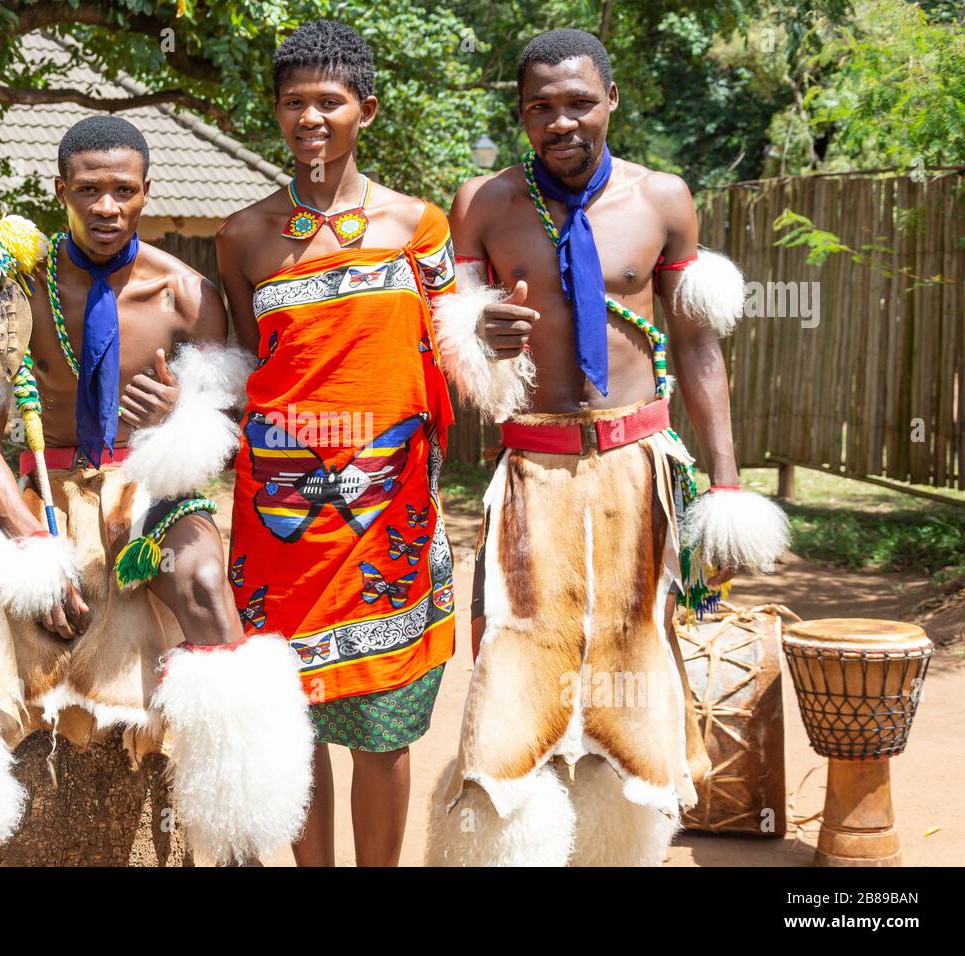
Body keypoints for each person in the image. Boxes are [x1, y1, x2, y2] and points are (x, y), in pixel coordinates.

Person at [0, 116, 313, 867]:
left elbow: (211, 442)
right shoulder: (14, 290)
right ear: (59, 190)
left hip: (147, 487)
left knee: (203, 586)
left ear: (145, 193)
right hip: (36, 494)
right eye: (89, 190)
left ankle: (235, 837)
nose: (107, 207)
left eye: (123, 191)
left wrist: (176, 419)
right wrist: (34, 543)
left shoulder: (185, 292)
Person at [426, 28, 788, 866]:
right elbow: (449, 348)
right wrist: (480, 335)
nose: (561, 122)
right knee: (513, 667)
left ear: (612, 101)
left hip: (638, 470)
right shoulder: (483, 203)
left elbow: (697, 347)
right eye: (540, 108)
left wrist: (725, 494)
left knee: (635, 660)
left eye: (578, 102)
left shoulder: (663, 200)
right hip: (532, 471)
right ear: (521, 114)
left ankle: (617, 850)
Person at [216, 20, 458, 867]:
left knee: (383, 726)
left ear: (368, 109)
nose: (310, 117)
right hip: (280, 514)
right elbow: (248, 369)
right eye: (294, 103)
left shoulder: (419, 229)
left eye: (331, 100)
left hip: (390, 504)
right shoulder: (242, 237)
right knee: (294, 720)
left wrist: (493, 343)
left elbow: (455, 354)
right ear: (275, 113)